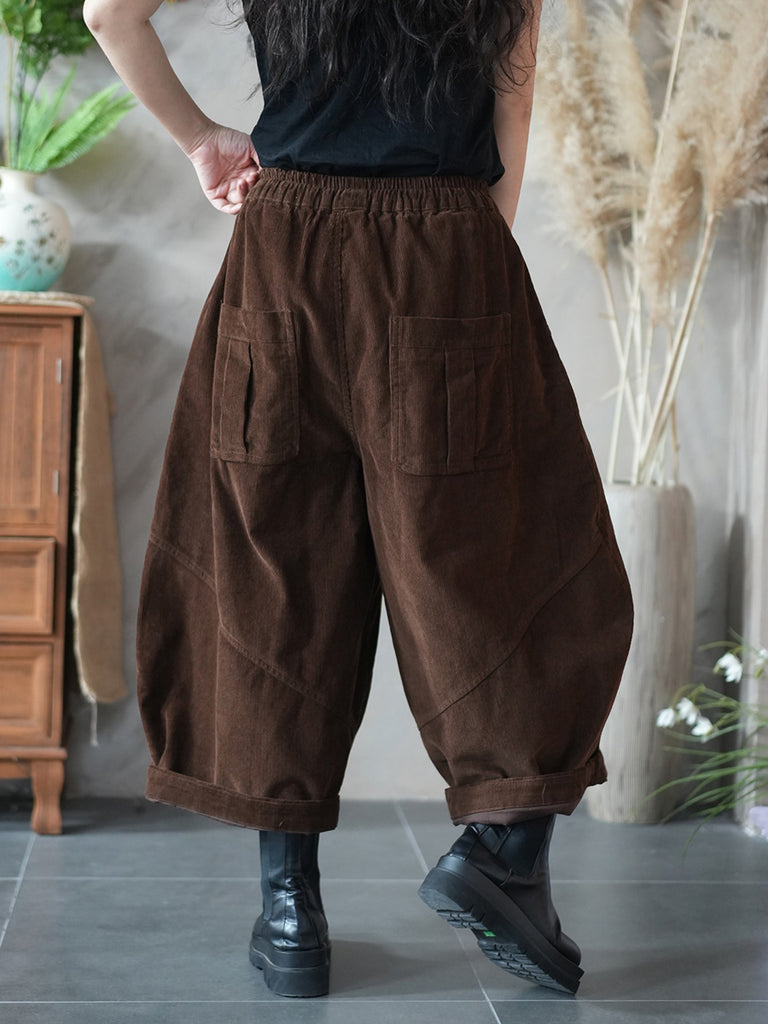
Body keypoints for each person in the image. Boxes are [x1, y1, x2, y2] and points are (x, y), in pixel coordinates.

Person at [83, 0, 634, 1001]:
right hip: (446, 246)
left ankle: (291, 912)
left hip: (284, 250)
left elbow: (109, 12)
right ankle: (505, 852)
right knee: (510, 560)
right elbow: (512, 105)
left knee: (277, 576)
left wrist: (204, 139)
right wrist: (476, 247)